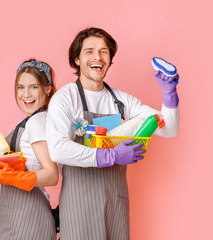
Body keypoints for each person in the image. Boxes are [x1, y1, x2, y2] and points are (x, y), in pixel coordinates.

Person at [46, 27, 180, 239]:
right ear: (77, 60)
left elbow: (169, 129)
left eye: (104, 51)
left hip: (115, 205)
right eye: (89, 51)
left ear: (110, 59)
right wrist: (111, 155)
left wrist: (169, 93)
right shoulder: (65, 98)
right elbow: (57, 150)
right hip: (79, 206)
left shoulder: (122, 100)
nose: (97, 56)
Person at [0, 59, 59, 240]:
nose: (26, 94)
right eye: (20, 87)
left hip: (29, 218)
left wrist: (12, 177)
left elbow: (52, 175)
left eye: (33, 87)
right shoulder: (27, 121)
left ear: (47, 89)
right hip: (14, 214)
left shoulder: (36, 123)